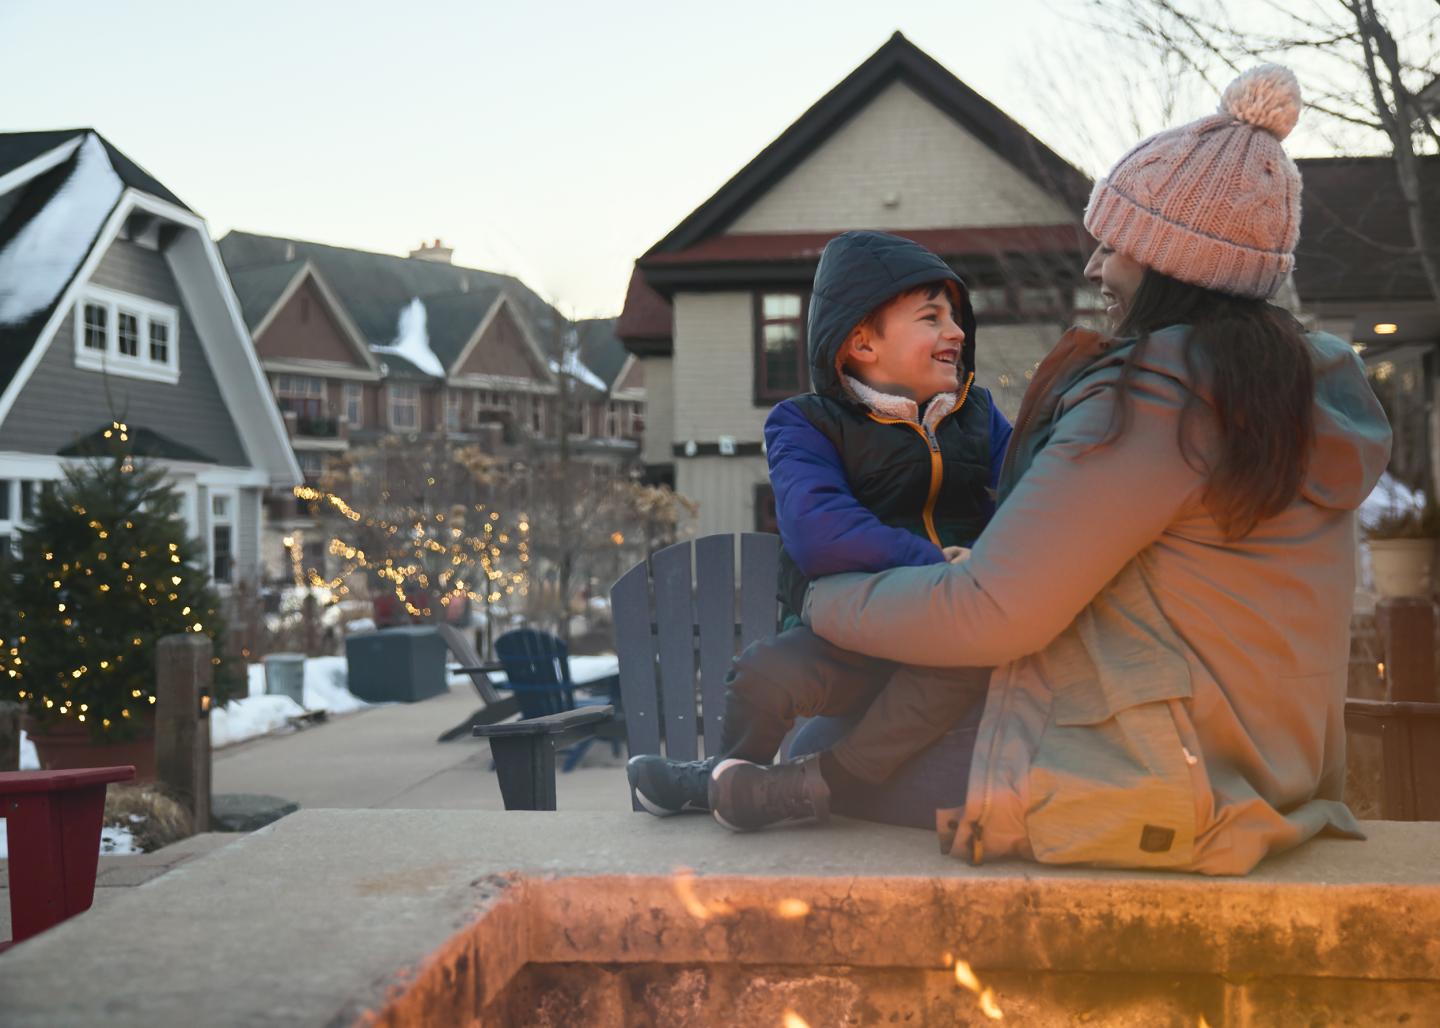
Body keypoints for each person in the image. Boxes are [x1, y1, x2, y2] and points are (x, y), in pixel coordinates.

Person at [802, 66, 1392, 874]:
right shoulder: (1291, 388)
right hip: (1270, 774)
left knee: (817, 746)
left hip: (1153, 786)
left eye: (1114, 245)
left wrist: (824, 600)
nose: (1095, 267)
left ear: (1166, 260)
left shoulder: (1160, 402)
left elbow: (992, 612)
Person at [628, 230, 1010, 831]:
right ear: (862, 341)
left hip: (947, 632)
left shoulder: (980, 418)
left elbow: (1033, 498)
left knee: (964, 666)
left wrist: (986, 562)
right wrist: (937, 559)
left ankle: (801, 785)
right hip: (854, 631)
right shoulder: (806, 424)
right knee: (763, 674)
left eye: (956, 317)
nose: (956, 332)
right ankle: (725, 777)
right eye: (932, 317)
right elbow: (819, 532)